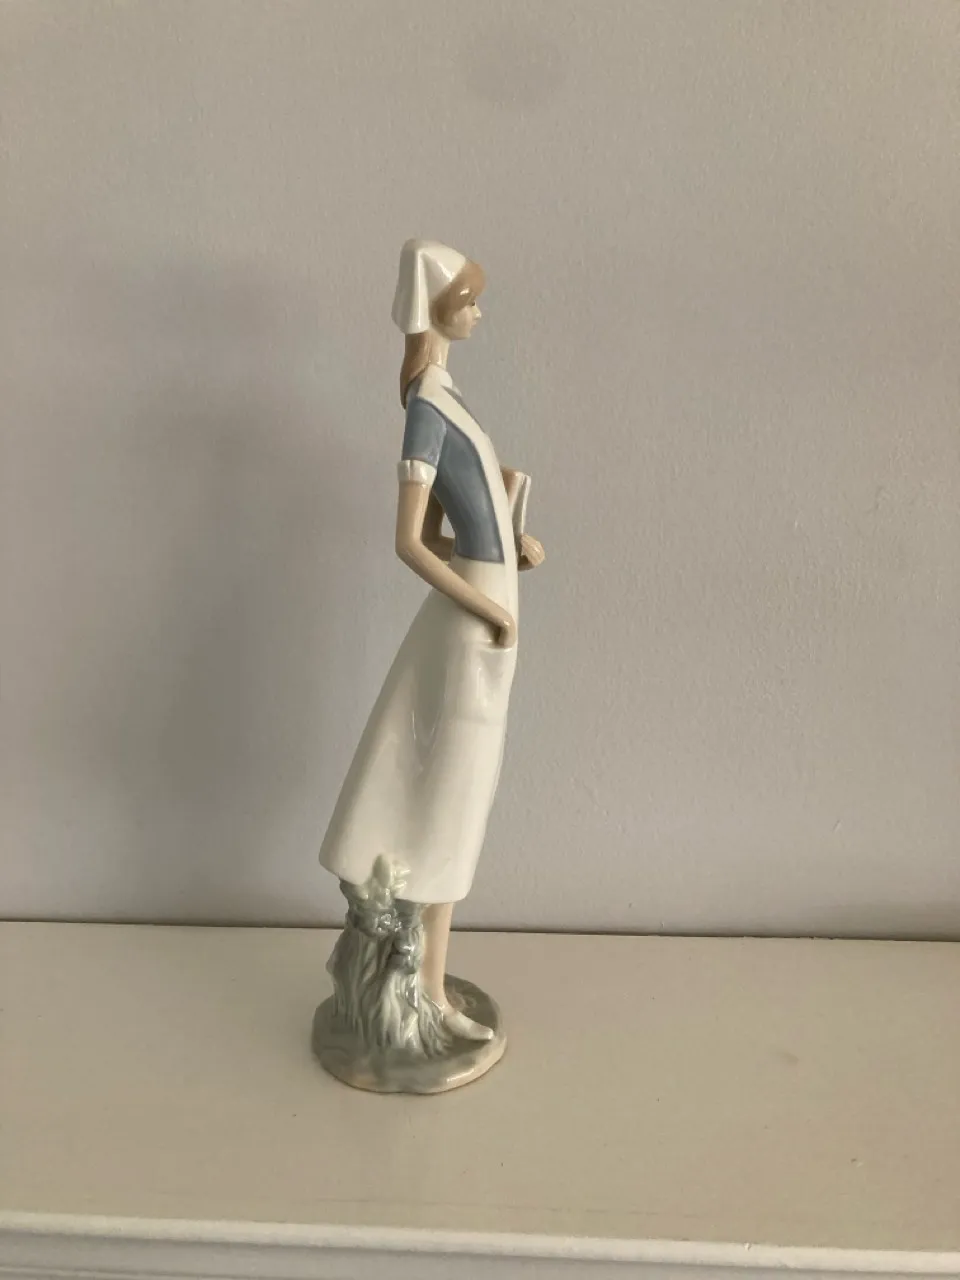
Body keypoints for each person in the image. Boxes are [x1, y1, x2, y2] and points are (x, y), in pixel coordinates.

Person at [319, 239, 544, 1052]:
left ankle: (429, 985)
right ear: (438, 308)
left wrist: (511, 546)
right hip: (473, 621)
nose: (478, 313)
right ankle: (430, 995)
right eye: (469, 300)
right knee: (451, 801)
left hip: (487, 601)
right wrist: (487, 602)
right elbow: (411, 542)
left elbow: (453, 527)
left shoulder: (444, 395)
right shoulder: (425, 407)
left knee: (462, 799)